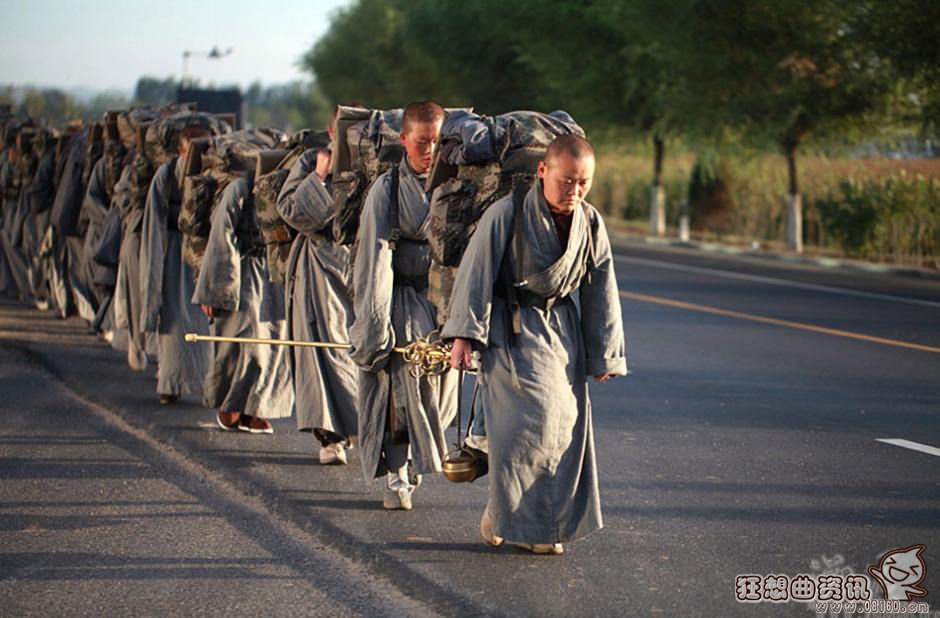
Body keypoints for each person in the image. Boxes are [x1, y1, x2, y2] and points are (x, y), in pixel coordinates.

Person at [442, 134, 627, 555]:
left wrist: (604, 353)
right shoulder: (506, 213)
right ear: (542, 170)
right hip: (512, 331)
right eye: (567, 181)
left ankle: (537, 524)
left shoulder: (590, 221)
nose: (575, 192)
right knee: (521, 434)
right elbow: (476, 273)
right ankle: (519, 520)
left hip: (564, 332)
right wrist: (464, 336)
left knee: (562, 432)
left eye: (584, 183)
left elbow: (602, 287)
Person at [349, 101, 458, 510]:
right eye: (422, 142)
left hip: (444, 300)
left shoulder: (458, 184)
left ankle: (415, 458)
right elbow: (373, 259)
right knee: (401, 381)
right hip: (399, 295)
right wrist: (375, 326)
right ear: (404, 140)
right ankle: (397, 471)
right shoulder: (387, 190)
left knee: (441, 394)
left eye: (438, 142)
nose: (430, 151)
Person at [277, 138, 359, 464]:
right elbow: (291, 211)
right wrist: (319, 177)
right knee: (323, 351)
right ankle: (330, 436)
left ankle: (363, 425)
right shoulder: (313, 159)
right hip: (318, 267)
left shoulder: (375, 158)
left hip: (361, 266)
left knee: (359, 350)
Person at [193, 173, 294, 433]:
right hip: (245, 268)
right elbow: (221, 235)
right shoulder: (240, 187)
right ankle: (231, 404)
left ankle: (256, 408)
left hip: (276, 269)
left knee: (274, 345)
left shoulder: (290, 180)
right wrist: (216, 290)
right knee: (244, 344)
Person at [139, 126, 212, 405]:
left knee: (204, 322)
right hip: (173, 254)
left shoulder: (212, 172)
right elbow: (154, 221)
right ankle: (170, 384)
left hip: (203, 254)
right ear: (181, 150)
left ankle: (209, 385)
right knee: (174, 320)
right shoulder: (167, 175)